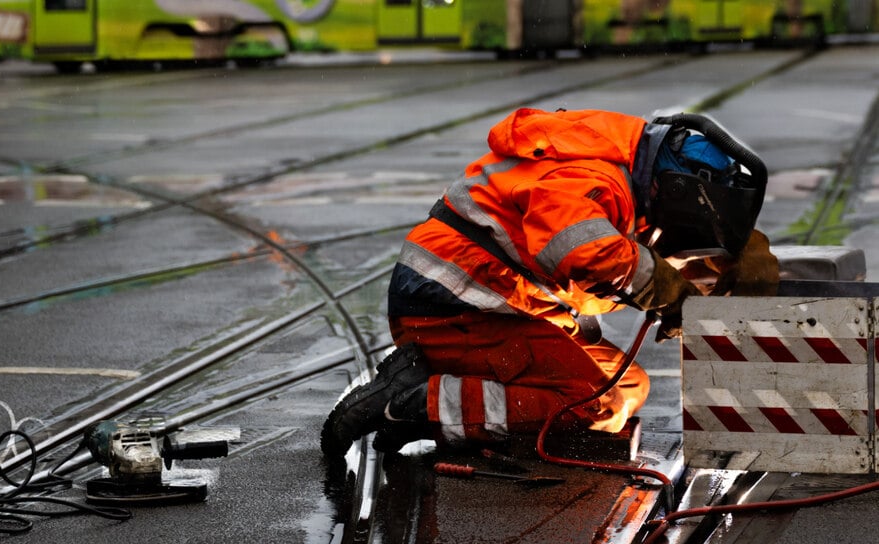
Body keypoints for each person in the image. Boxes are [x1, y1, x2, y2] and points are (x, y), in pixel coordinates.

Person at [320, 108, 779, 459]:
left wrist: (732, 253)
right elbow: (583, 250)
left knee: (627, 387)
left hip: (495, 305)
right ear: (674, 190)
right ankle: (414, 403)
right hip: (455, 306)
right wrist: (666, 292)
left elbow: (628, 256)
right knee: (588, 403)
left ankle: (434, 400)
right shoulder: (594, 177)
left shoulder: (618, 169)